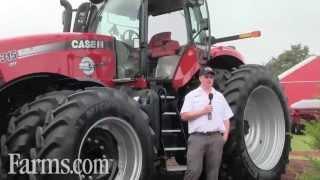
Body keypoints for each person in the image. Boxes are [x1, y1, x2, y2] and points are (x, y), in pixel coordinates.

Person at [180, 66, 234, 180]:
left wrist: (224, 137)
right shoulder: (192, 96)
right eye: (206, 77)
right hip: (197, 138)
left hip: (216, 138)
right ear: (200, 78)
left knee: (213, 174)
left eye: (211, 77)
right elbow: (184, 116)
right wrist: (202, 111)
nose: (209, 79)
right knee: (194, 171)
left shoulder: (220, 96)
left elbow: (226, 118)